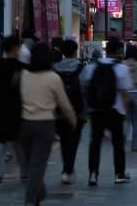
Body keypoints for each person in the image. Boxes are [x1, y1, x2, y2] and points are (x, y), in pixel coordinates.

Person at [19, 43, 76, 206]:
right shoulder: (53, 78)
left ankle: (39, 194)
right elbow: (64, 104)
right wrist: (72, 120)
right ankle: (30, 200)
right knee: (37, 164)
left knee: (31, 163)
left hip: (24, 124)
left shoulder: (23, 75)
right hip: (44, 125)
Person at [82, 37, 133, 186]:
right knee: (118, 143)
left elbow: (85, 87)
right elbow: (124, 92)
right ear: (119, 51)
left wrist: (89, 106)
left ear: (106, 50)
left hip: (96, 110)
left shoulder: (92, 67)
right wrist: (123, 111)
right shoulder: (122, 68)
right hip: (115, 110)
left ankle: (93, 174)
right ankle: (119, 173)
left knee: (95, 142)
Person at [0, 36, 24, 183]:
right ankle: (24, 172)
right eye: (19, 47)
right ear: (14, 48)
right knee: (19, 141)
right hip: (16, 110)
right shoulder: (21, 68)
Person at [54, 39, 85, 185]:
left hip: (59, 111)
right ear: (75, 51)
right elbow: (85, 89)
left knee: (64, 141)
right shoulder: (82, 68)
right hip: (78, 111)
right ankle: (68, 170)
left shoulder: (54, 68)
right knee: (73, 141)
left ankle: (67, 169)